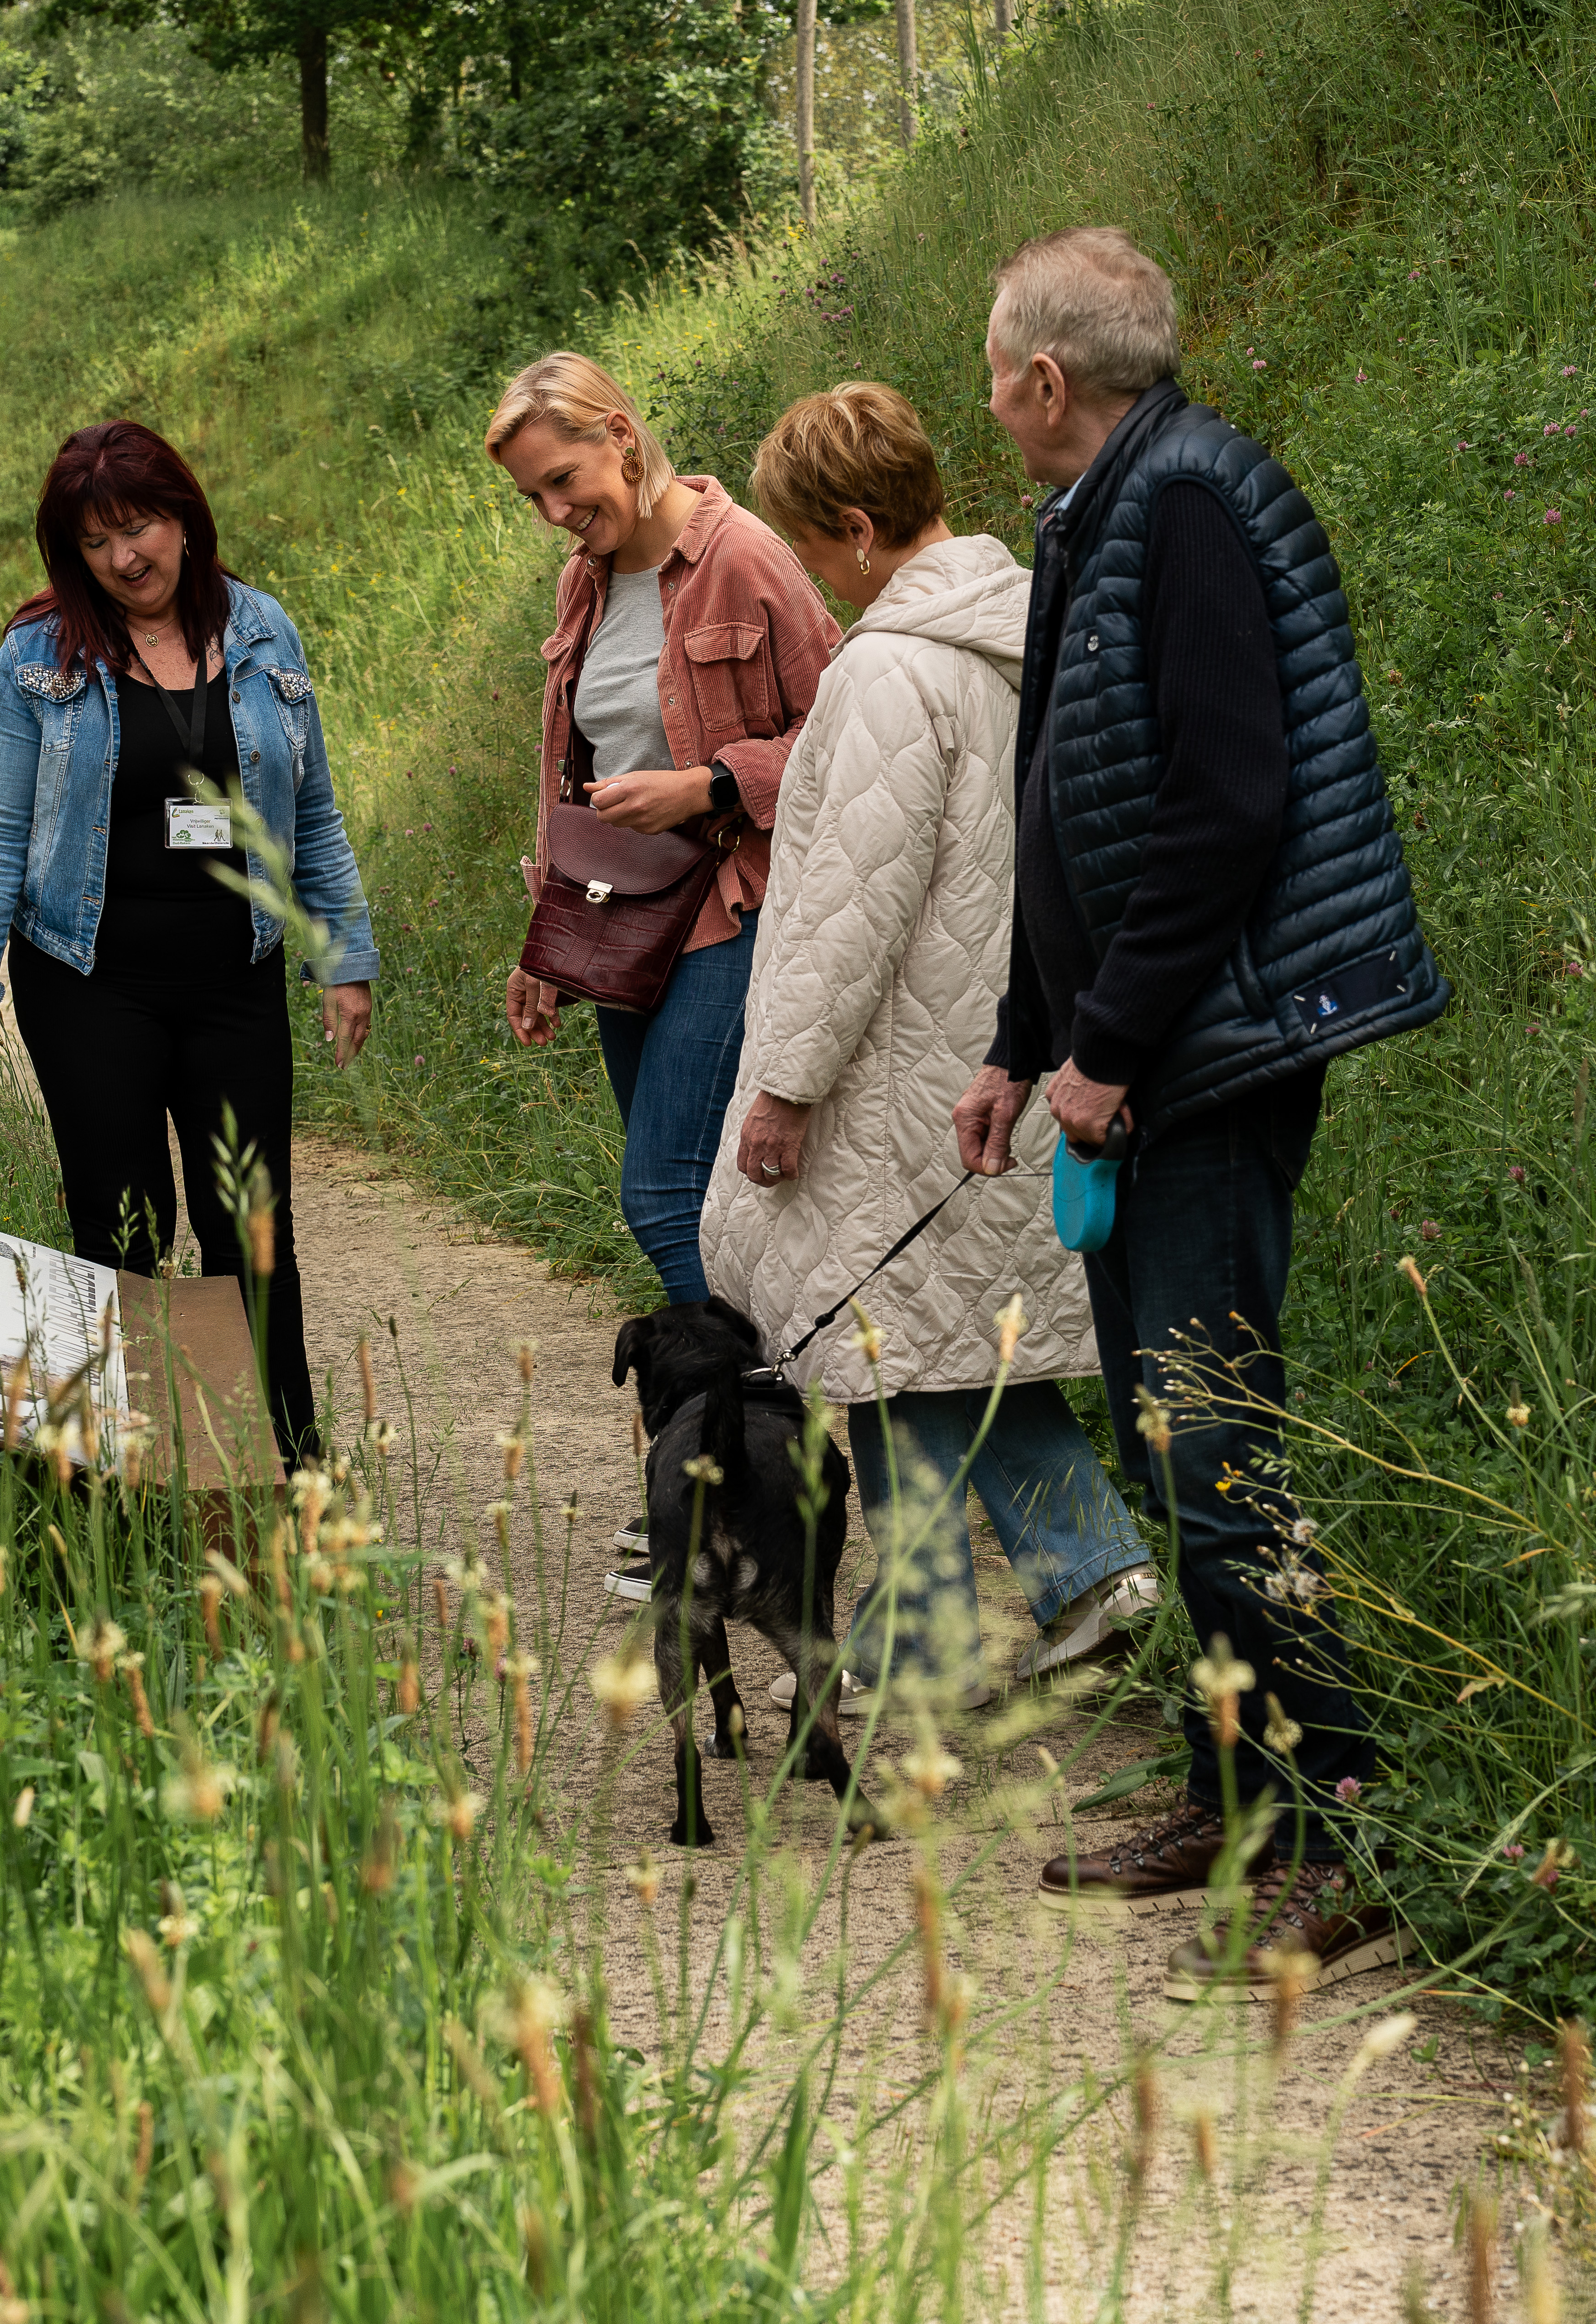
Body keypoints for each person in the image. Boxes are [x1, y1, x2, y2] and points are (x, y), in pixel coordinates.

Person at [950, 230, 1450, 1980]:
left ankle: (1348, 1818)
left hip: (1211, 1060)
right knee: (1171, 1454)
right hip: (1132, 1055)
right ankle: (1230, 1789)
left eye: (990, 365)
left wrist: (1107, 1048)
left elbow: (1227, 808)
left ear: (1038, 378)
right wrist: (1025, 1037)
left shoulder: (1188, 508)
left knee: (1217, 1454)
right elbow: (1067, 813)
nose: (986, 391)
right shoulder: (1099, 511)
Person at [698, 382, 1159, 1706]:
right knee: (940, 1335)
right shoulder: (1031, 626)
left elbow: (849, 903)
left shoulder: (890, 670)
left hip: (899, 1069)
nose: (812, 579)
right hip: (1000, 1043)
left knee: (881, 1351)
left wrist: (784, 1085)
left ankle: (929, 1643)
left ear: (853, 526)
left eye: (810, 548)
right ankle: (1083, 1565)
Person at [0, 419, 377, 1469]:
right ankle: (146, 1467)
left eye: (139, 527)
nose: (125, 558)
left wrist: (341, 956)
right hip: (88, 981)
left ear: (184, 517)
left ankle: (286, 1465)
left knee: (252, 1225)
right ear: (68, 554)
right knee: (124, 1227)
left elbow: (311, 811)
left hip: (235, 976)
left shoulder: (264, 633)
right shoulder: (38, 657)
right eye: (96, 542)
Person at [485, 352, 838, 1595]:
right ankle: (721, 1480)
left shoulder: (743, 560)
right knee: (699, 1216)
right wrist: (544, 932)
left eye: (564, 482)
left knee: (660, 1196)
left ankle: (778, 1457)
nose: (553, 514)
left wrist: (709, 785)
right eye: (532, 497)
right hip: (620, 920)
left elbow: (846, 729)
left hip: (729, 913)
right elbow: (570, 763)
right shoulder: (587, 583)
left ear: (622, 438)